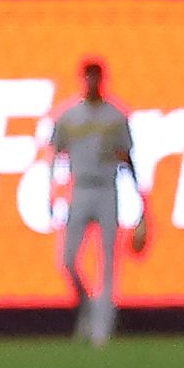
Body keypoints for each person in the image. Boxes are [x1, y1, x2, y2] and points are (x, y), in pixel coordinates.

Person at [45, 57, 140, 349]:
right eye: (88, 77)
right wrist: (52, 192)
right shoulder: (69, 116)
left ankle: (102, 330)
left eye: (96, 77)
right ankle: (87, 307)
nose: (92, 83)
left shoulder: (115, 117)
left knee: (108, 261)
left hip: (107, 188)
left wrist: (140, 201)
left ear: (103, 80)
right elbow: (56, 153)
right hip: (81, 187)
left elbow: (126, 158)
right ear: (82, 79)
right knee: (67, 260)